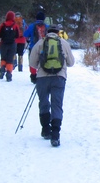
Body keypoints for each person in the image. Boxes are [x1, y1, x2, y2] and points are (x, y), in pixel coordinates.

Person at [29, 19, 75, 147]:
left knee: (44, 102)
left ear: (48, 33)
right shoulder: (64, 43)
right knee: (57, 105)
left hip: (42, 78)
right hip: (59, 78)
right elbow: (71, 63)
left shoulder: (40, 43)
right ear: (58, 33)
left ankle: (45, 130)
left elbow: (32, 63)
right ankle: (55, 135)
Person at [0, 10, 22, 82]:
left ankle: (2, 69)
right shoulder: (15, 25)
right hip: (12, 44)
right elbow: (17, 35)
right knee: (10, 59)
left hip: (3, 44)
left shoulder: (3, 25)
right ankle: (9, 74)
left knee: (3, 58)